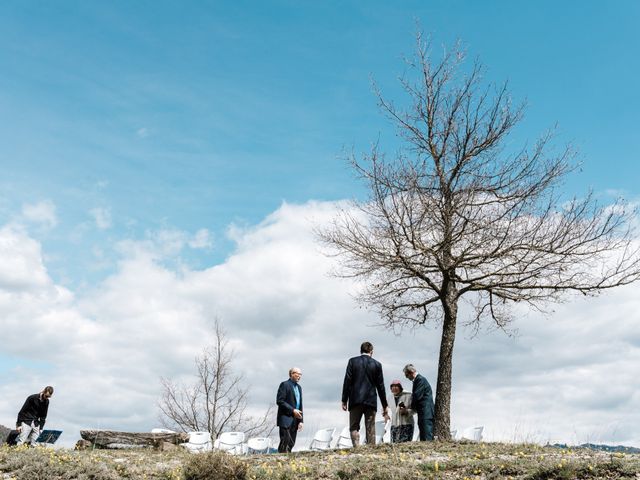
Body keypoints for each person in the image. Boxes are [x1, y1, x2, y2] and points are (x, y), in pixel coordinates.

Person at [341, 341, 389, 446]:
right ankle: (371, 449)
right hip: (370, 400)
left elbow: (347, 381)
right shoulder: (377, 365)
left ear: (360, 350)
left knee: (354, 426)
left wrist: (344, 400)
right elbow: (381, 387)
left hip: (355, 399)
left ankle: (357, 448)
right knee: (370, 426)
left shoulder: (352, 362)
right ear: (371, 351)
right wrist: (385, 405)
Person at [403, 364, 434, 441]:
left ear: (411, 372)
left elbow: (417, 396)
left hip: (426, 411)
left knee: (426, 433)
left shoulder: (420, 379)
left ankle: (428, 450)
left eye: (407, 375)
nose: (407, 377)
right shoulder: (418, 380)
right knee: (423, 431)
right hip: (423, 411)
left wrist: (409, 408)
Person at [276, 367, 303, 453]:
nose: (299, 376)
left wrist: (301, 421)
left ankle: (287, 463)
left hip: (295, 420)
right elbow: (280, 401)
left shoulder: (299, 388)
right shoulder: (284, 385)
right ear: (291, 374)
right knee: (285, 442)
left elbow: (300, 405)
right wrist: (292, 410)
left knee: (291, 443)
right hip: (285, 419)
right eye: (297, 374)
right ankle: (280, 462)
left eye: (300, 374)